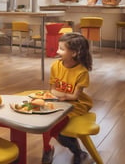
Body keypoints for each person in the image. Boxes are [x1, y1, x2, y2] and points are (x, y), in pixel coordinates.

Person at [41, 32, 93, 164]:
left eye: (62, 49)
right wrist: (59, 95)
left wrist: (60, 95)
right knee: (44, 122)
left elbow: (74, 96)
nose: (57, 51)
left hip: (77, 104)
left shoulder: (82, 72)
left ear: (74, 53)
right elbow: (51, 90)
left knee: (60, 131)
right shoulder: (55, 66)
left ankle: (79, 153)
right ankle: (48, 149)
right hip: (59, 102)